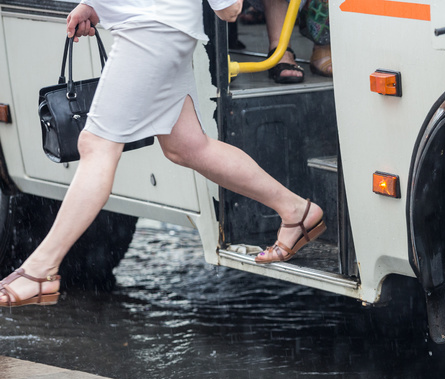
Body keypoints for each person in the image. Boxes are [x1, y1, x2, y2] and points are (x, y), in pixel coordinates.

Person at [0, 0, 325, 307]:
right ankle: (296, 211)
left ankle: (41, 269)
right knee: (187, 147)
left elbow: (230, 9)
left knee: (96, 145)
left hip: (152, 30)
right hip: (156, 27)